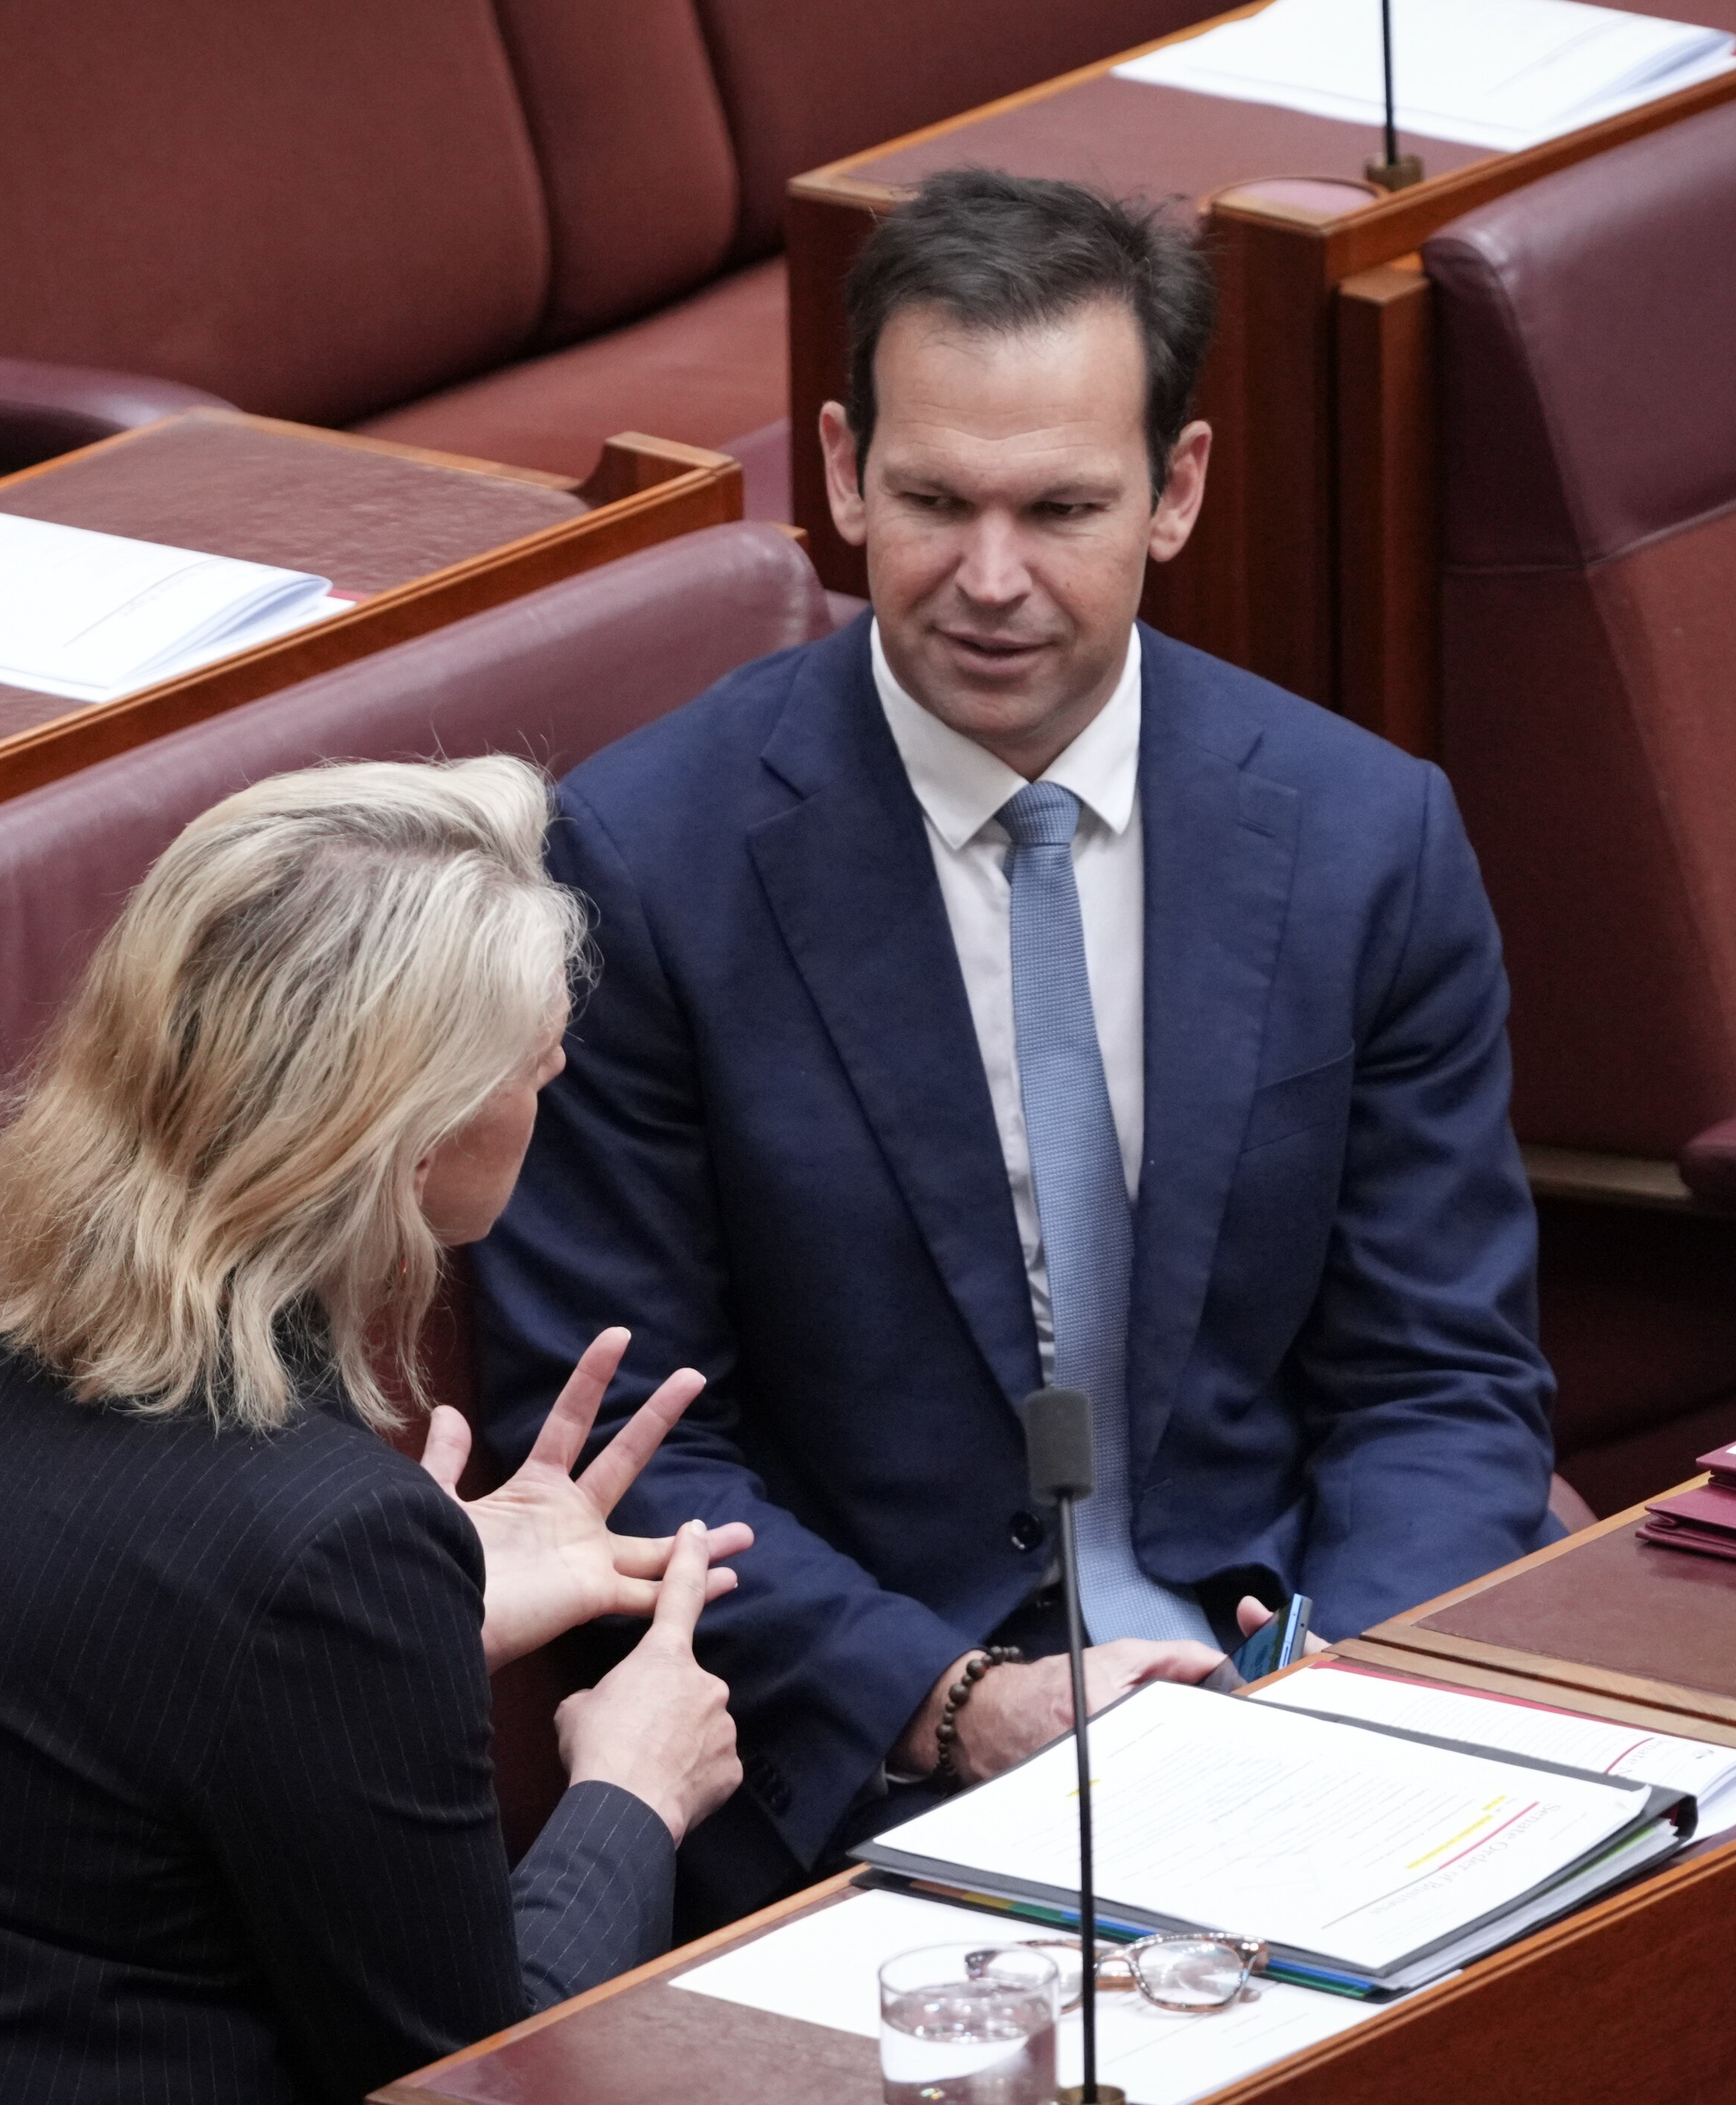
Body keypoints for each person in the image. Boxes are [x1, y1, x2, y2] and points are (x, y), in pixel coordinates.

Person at [466, 169, 1563, 1924]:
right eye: (929, 502)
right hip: (870, 1758)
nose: (990, 582)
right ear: (837, 470)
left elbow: (1440, 1372)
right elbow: (629, 1440)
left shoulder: (1367, 836)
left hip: (1304, 1685)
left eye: (1060, 507)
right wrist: (953, 1703)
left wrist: (1356, 1691)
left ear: (1175, 491)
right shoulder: (646, 865)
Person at [0, 757, 752, 2104]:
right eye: (531, 1052)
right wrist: (633, 1787)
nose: (560, 1061)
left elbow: (113, 1713)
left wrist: (402, 1637)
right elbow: (467, 2081)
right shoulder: (321, 1549)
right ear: (404, 1136)